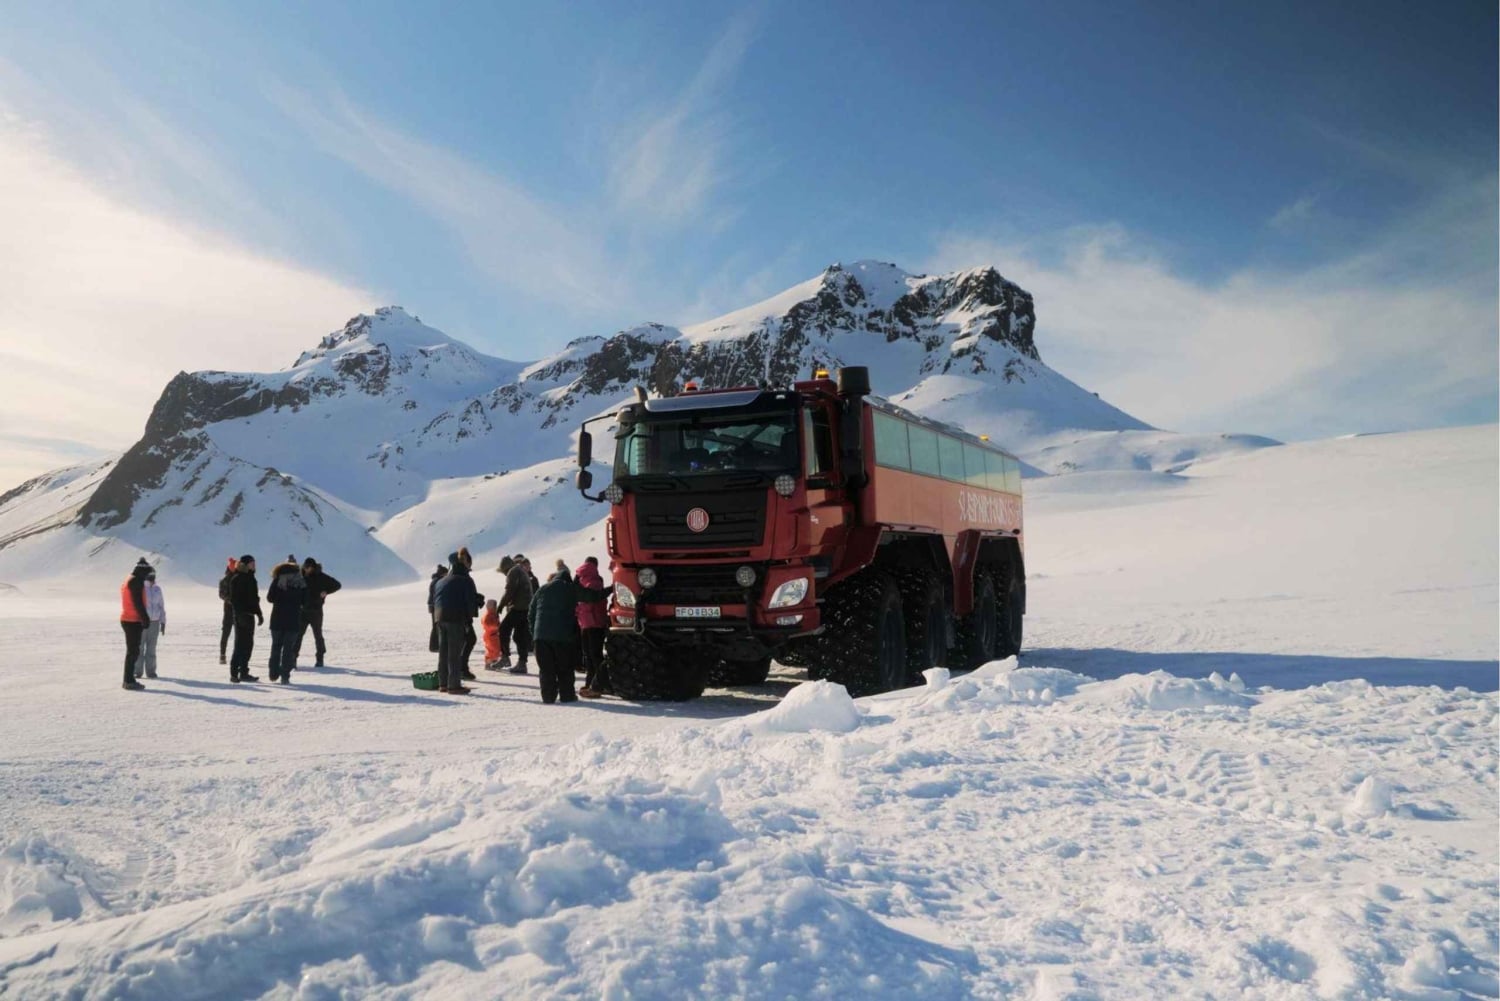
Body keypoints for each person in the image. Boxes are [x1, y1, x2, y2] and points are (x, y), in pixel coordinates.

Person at [528, 567, 583, 704]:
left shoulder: (542, 589)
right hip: (562, 636)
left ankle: (548, 697)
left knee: (546, 669)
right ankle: (567, 695)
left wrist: (535, 632)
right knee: (564, 667)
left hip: (540, 637)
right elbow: (589, 596)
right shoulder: (569, 588)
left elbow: (531, 612)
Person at [431, 549, 480, 694]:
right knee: (454, 652)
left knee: (444, 652)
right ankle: (454, 685)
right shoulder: (466, 580)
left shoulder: (442, 580)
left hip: (440, 617)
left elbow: (437, 600)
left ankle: (443, 683)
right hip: (455, 618)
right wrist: (475, 609)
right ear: (466, 563)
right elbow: (470, 603)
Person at [265, 557, 308, 683]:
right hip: (293, 619)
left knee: (276, 646)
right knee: (288, 649)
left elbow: (270, 598)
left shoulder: (277, 580)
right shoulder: (300, 581)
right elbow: (305, 601)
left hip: (277, 619)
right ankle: (285, 676)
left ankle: (273, 673)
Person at [575, 556, 610, 698]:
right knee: (596, 655)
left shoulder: (580, 579)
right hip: (596, 622)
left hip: (584, 622)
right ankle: (601, 683)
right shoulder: (596, 581)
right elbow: (594, 600)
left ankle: (590, 682)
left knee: (588, 655)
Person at [299, 557, 342, 667]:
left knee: (318, 635)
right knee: (298, 635)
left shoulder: (321, 577)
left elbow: (337, 585)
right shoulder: (301, 577)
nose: (306, 569)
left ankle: (320, 659)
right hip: (302, 611)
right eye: (305, 567)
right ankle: (293, 658)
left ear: (313, 567)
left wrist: (326, 591)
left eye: (308, 567)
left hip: (316, 611)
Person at [228, 555, 263, 682]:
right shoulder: (237, 578)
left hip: (249, 615)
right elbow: (234, 600)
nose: (254, 565)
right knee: (240, 644)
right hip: (241, 616)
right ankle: (234, 673)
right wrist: (240, 614)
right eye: (252, 563)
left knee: (248, 644)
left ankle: (243, 671)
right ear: (245, 564)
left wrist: (259, 614)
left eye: (254, 563)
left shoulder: (251, 578)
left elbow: (254, 599)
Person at [497, 553, 534, 674]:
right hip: (526, 609)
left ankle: (505, 657)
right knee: (519, 636)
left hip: (519, 608)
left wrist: (501, 606)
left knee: (503, 630)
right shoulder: (520, 570)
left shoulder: (513, 572)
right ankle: (522, 663)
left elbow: (509, 591)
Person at [119, 558, 153, 690]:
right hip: (132, 620)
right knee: (132, 652)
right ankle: (128, 681)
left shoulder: (130, 578)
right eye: (146, 573)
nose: (147, 577)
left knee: (133, 651)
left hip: (129, 619)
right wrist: (145, 619)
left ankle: (129, 679)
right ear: (142, 571)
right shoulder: (135, 581)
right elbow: (138, 603)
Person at [134, 567, 167, 680]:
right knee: (139, 647)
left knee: (151, 648)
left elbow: (161, 606)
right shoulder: (142, 588)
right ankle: (137, 671)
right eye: (151, 575)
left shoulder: (157, 589)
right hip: (142, 622)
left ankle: (151, 672)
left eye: (154, 575)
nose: (153, 577)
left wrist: (163, 622)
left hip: (155, 622)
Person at [457, 547, 480, 681]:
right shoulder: (464, 578)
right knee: (470, 639)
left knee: (465, 640)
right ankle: (462, 668)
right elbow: (467, 598)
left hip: (456, 613)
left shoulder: (455, 574)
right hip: (462, 615)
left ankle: (460, 668)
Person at [217, 556, 237, 665]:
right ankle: (222, 654)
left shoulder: (238, 578)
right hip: (229, 610)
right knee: (226, 633)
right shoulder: (225, 580)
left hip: (236, 610)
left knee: (236, 634)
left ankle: (235, 655)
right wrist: (232, 600)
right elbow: (222, 594)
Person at [427, 563, 448, 658]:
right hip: (435, 605)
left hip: (432, 605)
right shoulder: (438, 581)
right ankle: (434, 646)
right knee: (436, 625)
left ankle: (434, 646)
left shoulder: (435, 580)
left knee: (435, 625)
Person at [481, 598, 502, 670]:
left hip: (494, 635)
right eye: (494, 606)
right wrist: (496, 627)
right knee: (491, 650)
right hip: (490, 635)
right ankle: (488, 663)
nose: (496, 607)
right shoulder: (488, 615)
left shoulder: (494, 614)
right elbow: (487, 625)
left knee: (496, 649)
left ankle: (494, 662)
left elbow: (497, 623)